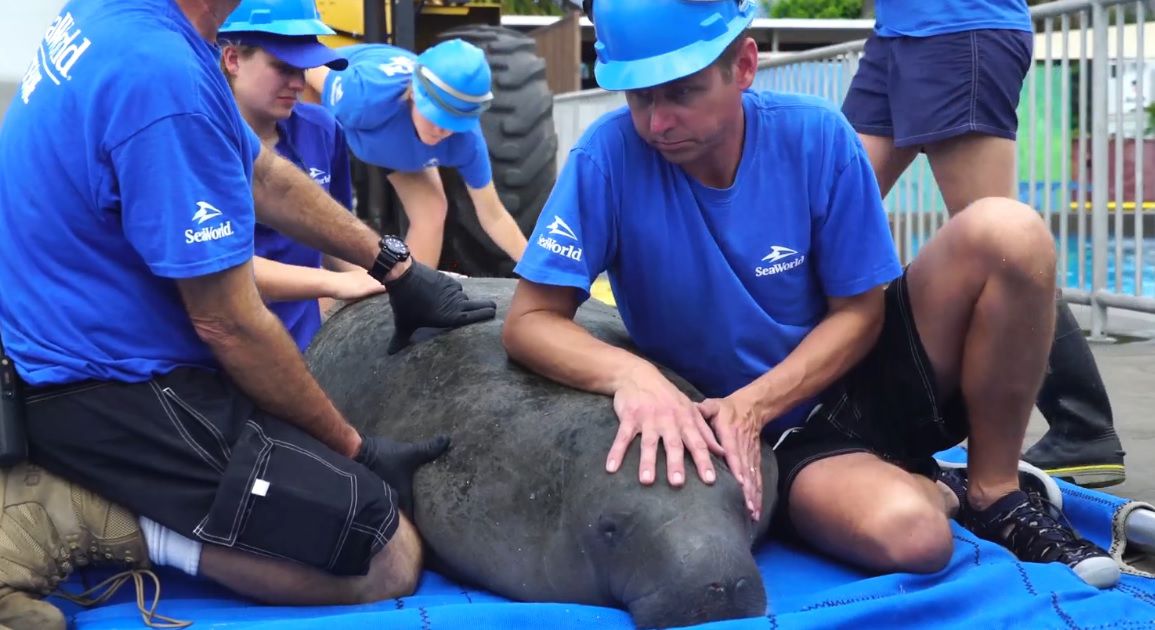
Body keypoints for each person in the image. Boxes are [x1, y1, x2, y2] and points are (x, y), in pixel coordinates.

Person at [503, 0, 1120, 589]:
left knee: (1010, 231)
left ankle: (995, 489)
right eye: (640, 97)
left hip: (858, 375)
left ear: (743, 66)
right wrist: (631, 376)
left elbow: (861, 310)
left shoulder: (818, 136)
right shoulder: (606, 159)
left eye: (683, 92)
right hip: (791, 442)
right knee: (916, 538)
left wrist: (755, 401)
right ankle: (944, 488)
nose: (658, 122)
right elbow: (531, 319)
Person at [0, 0, 495, 624]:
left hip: (78, 346)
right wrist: (355, 448)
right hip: (105, 385)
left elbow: (258, 173)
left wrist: (393, 265)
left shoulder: (130, 19)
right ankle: (81, 513)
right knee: (386, 556)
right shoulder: (161, 76)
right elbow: (228, 322)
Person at [842, 0, 1126, 488]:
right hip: (897, 32)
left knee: (1002, 247)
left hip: (958, 25)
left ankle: (1082, 427)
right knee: (832, 208)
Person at [219, 0, 383, 351]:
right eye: (283, 67)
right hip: (224, 353)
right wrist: (333, 284)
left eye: (305, 68)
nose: (298, 83)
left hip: (305, 346)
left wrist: (396, 276)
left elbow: (336, 236)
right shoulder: (198, 143)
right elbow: (215, 270)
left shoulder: (321, 129)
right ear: (233, 59)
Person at [301, 39, 529, 269]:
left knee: (431, 209)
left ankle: (414, 294)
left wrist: (538, 274)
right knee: (316, 205)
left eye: (453, 123)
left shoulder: (466, 141)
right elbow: (307, 65)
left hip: (389, 141)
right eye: (436, 116)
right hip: (335, 109)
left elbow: (494, 215)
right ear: (413, 92)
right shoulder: (362, 95)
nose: (442, 130)